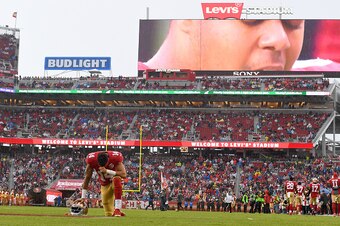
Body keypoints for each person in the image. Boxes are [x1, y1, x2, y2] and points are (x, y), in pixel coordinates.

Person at [138, 20, 340, 71]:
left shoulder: (327, 78)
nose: (280, 40)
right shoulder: (115, 81)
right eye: (251, 17)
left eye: (293, 21)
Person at [81, 151, 127, 217]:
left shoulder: (115, 157)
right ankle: (116, 213)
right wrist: (83, 197)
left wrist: (107, 171)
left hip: (114, 181)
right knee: (108, 213)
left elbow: (123, 174)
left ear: (108, 159)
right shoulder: (91, 160)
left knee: (117, 179)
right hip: (104, 184)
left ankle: (117, 209)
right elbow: (87, 177)